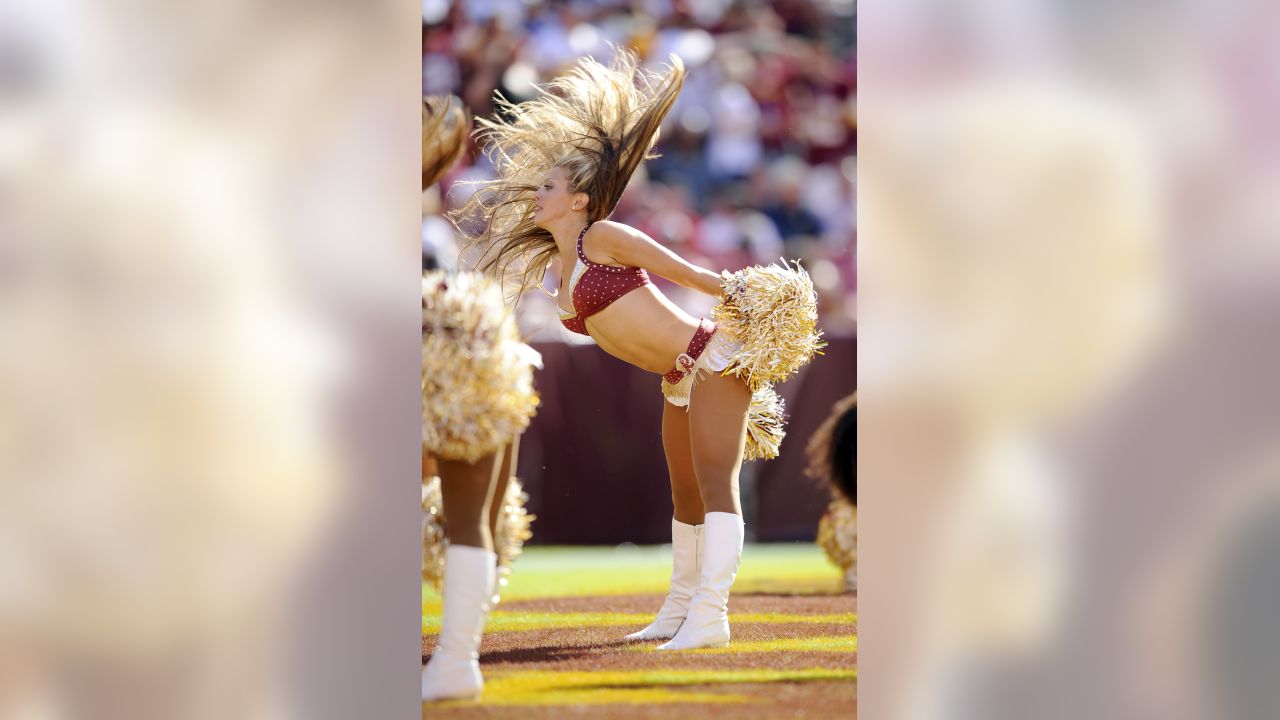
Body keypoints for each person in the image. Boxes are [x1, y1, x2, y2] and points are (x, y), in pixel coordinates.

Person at [450, 49, 821, 651]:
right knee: (685, 494)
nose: (537, 195)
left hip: (712, 359)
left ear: (577, 199)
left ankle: (711, 615)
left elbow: (695, 276)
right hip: (678, 375)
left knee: (715, 482)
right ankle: (678, 610)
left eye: (549, 186)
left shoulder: (605, 236)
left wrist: (754, 293)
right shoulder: (562, 267)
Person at [421, 97, 541, 702]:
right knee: (474, 520)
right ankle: (456, 661)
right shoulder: (432, 225)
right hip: (476, 340)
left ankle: (452, 661)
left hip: (443, 347)